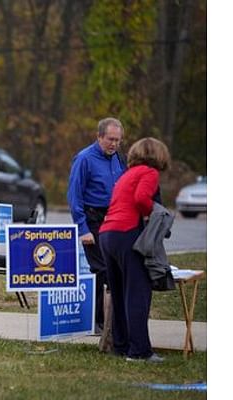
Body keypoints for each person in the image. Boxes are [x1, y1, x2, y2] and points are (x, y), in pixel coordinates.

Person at [99, 137, 170, 363]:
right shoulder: (149, 172)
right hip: (127, 233)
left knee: (118, 292)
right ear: (157, 155)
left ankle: (121, 345)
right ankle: (139, 351)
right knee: (137, 293)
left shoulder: (125, 175)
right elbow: (141, 199)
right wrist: (153, 213)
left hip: (107, 234)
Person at [67, 117, 126, 333]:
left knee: (116, 269)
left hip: (114, 218)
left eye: (118, 140)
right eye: (110, 139)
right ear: (99, 136)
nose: (114, 144)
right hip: (92, 219)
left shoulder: (118, 159)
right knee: (101, 270)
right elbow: (74, 196)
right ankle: (98, 321)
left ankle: (113, 320)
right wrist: (83, 229)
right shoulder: (84, 159)